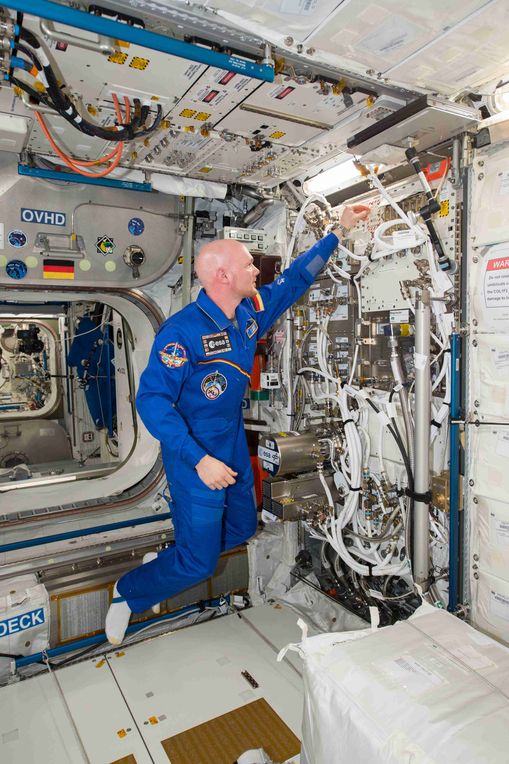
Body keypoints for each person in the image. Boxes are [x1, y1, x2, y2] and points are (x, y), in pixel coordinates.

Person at [105, 203, 370, 644]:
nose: (255, 271)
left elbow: (293, 281)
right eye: (248, 265)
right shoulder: (181, 333)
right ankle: (129, 591)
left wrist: (337, 233)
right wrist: (198, 459)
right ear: (223, 276)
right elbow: (152, 402)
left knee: (243, 528)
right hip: (195, 453)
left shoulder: (247, 314)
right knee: (200, 564)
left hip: (229, 441)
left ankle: (173, 558)